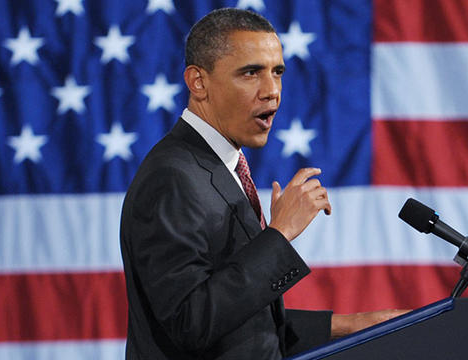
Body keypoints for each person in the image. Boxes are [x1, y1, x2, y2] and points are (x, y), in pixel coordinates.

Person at [120, 8, 406, 360]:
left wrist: (349, 325)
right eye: (251, 73)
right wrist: (280, 233)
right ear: (198, 82)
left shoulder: (218, 167)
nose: (272, 91)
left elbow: (237, 321)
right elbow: (189, 323)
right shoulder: (173, 177)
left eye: (277, 72)